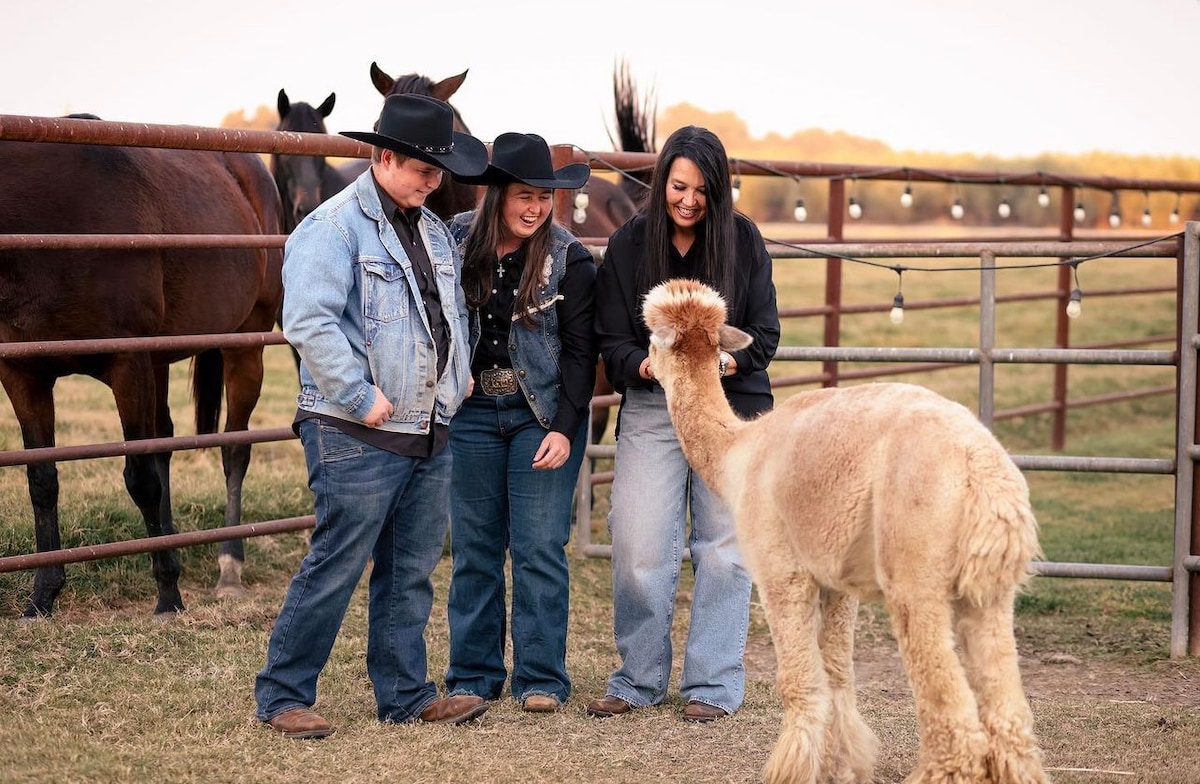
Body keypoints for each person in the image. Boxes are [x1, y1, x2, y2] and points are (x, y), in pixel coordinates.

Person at [254, 93, 491, 739]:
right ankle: (282, 695)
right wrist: (359, 396)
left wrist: (459, 374)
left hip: (428, 424)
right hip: (355, 428)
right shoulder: (332, 229)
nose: (433, 181)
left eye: (439, 171)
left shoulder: (434, 231)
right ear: (386, 157)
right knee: (336, 563)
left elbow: (451, 315)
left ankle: (406, 695)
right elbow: (306, 319)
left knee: (410, 571)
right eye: (422, 169)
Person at [587, 125, 780, 722]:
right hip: (653, 405)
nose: (689, 200)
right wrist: (649, 364)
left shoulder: (744, 242)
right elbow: (611, 339)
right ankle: (637, 679)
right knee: (640, 541)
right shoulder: (630, 245)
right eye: (678, 186)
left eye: (702, 189)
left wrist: (721, 360)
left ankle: (713, 686)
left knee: (725, 546)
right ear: (662, 181)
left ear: (718, 189)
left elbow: (765, 335)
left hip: (731, 406)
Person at [443, 133, 596, 714]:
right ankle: (473, 674)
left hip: (542, 414)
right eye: (523, 195)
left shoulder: (569, 259)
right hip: (473, 411)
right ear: (497, 194)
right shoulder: (455, 242)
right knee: (476, 547)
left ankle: (540, 678)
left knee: (538, 545)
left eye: (544, 197)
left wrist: (564, 426)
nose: (535, 208)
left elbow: (582, 354)